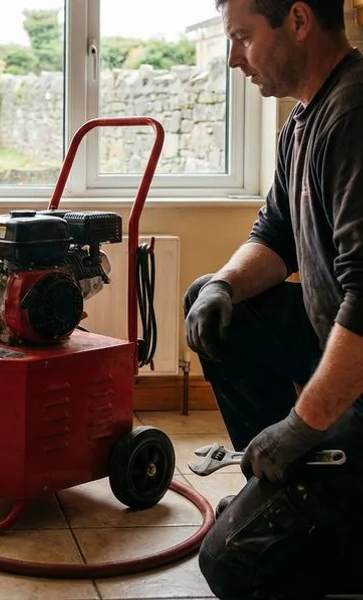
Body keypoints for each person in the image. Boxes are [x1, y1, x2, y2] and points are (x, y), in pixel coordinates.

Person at [183, 0, 363, 597]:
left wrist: (302, 423)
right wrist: (221, 286)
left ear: (299, 21)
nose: (235, 58)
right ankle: (285, 483)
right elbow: (273, 238)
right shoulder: (303, 121)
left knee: (233, 562)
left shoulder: (355, 116)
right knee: (214, 306)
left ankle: (333, 517)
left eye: (242, 38)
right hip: (336, 349)